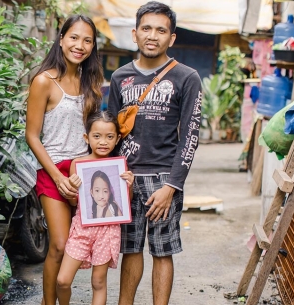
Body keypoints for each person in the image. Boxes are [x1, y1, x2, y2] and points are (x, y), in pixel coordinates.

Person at [107, 2, 202, 305]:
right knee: (131, 249)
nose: (153, 35)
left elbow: (190, 136)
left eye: (161, 30)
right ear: (134, 34)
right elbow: (110, 133)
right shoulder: (120, 77)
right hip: (127, 177)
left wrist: (172, 186)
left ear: (171, 38)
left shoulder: (186, 77)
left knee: (163, 250)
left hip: (163, 178)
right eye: (146, 28)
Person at [25, 14, 104, 305]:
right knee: (58, 245)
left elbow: (94, 132)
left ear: (93, 46)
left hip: (83, 171)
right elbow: (32, 136)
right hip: (53, 170)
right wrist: (57, 177)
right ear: (61, 39)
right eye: (74, 37)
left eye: (87, 40)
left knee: (89, 246)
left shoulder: (90, 82)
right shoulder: (44, 81)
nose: (79, 45)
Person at [56, 111, 134, 305]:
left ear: (117, 139)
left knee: (98, 281)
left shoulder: (119, 167)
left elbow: (124, 204)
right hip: (82, 229)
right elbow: (75, 203)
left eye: (109, 136)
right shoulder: (78, 164)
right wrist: (72, 190)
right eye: (97, 136)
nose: (103, 142)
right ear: (87, 137)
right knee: (63, 280)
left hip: (108, 231)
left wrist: (129, 185)